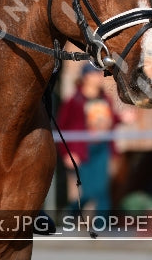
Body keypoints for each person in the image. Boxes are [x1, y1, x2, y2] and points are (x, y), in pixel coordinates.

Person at [57, 63, 119, 215]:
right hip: (82, 151)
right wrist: (67, 153)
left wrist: (122, 118)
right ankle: (72, 212)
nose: (100, 78)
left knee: (103, 191)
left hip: (102, 148)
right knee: (91, 192)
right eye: (95, 74)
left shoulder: (105, 98)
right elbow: (61, 128)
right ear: (86, 77)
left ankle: (102, 229)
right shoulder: (74, 101)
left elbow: (110, 120)